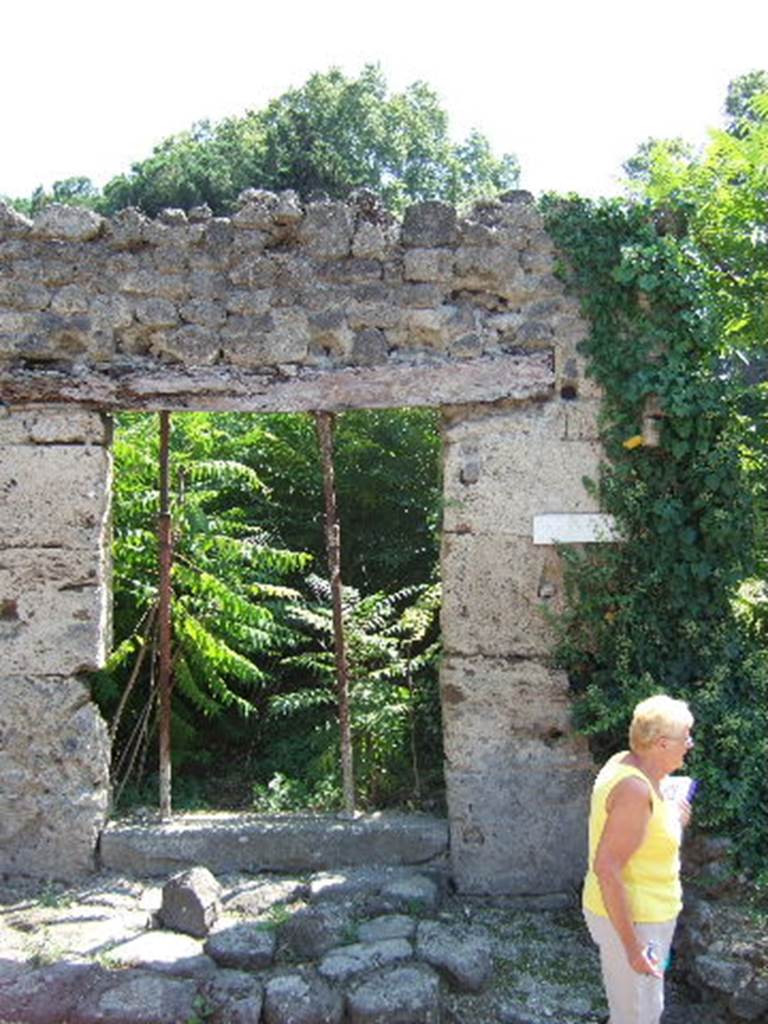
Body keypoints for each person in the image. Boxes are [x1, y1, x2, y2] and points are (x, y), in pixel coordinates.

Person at [582, 694, 695, 1024]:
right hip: (636, 921)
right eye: (685, 736)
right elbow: (607, 867)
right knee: (639, 1015)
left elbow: (644, 828)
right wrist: (633, 948)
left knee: (640, 1006)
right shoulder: (634, 791)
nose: (690, 743)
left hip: (648, 916)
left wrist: (671, 814)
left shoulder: (625, 762)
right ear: (661, 744)